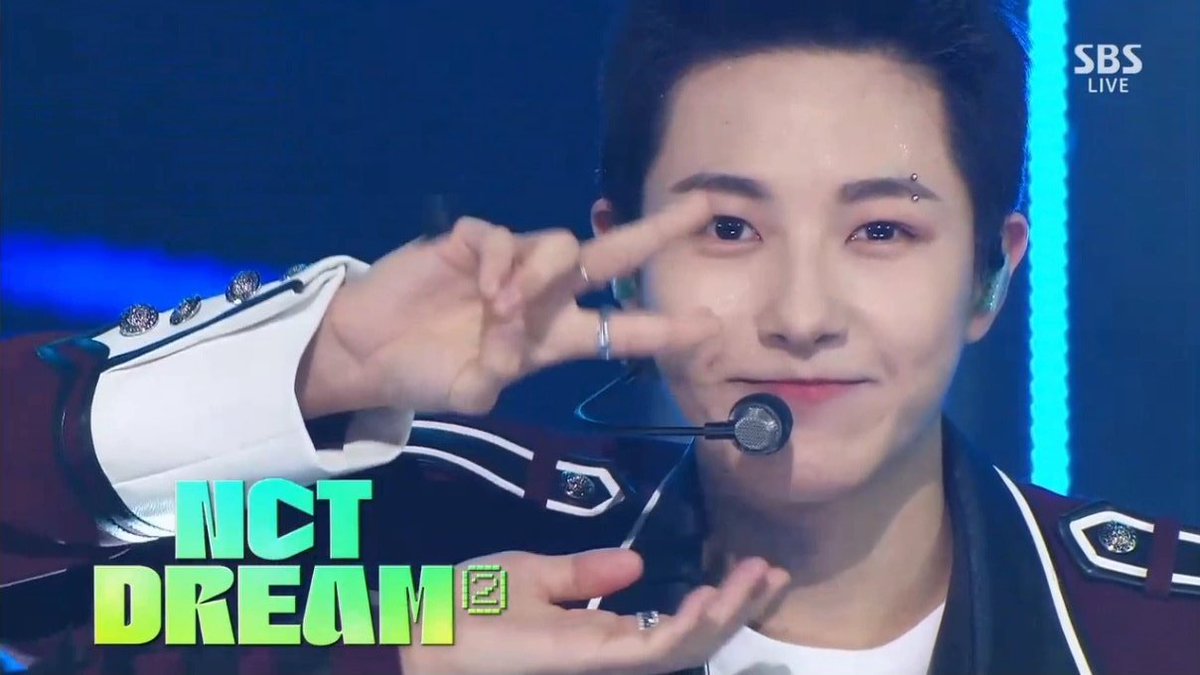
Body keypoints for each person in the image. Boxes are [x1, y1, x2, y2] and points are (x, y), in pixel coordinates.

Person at [2, 1, 1197, 673]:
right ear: (620, 253)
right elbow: (43, 593)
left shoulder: (1159, 626)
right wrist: (327, 365)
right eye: (727, 227)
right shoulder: (433, 537)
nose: (800, 314)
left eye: (880, 231)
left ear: (991, 274)